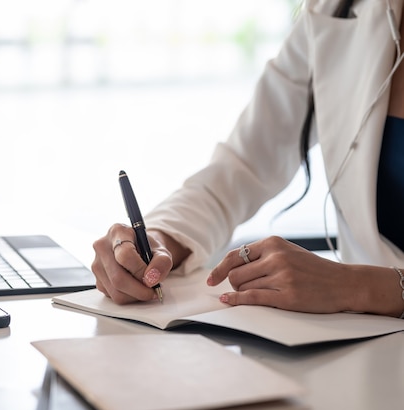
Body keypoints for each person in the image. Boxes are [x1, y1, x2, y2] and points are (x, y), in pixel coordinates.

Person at [91, 0, 404, 318]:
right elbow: (239, 168)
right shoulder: (334, 10)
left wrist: (355, 285)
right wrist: (159, 240)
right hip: (364, 342)